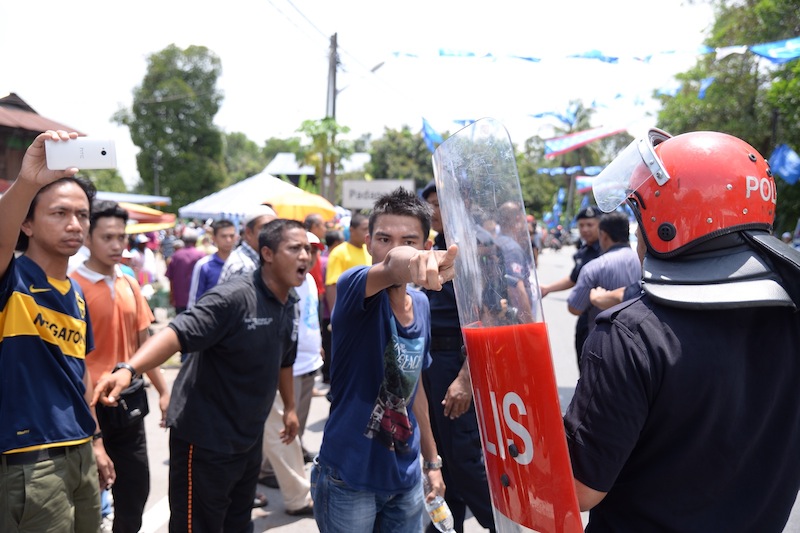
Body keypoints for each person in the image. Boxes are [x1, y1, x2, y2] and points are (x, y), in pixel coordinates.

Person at [564, 129, 800, 530]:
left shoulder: (630, 335)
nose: (637, 236)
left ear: (669, 223)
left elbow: (580, 488)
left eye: (641, 222)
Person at [93, 218, 310, 531]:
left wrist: (289, 408)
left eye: (308, 248)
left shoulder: (288, 301)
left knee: (237, 523)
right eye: (295, 248)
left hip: (248, 438)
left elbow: (284, 360)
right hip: (205, 438)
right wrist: (129, 369)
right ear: (267, 253)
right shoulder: (234, 297)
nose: (305, 255)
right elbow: (176, 332)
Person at [312, 187, 458, 532]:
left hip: (405, 477)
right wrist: (406, 261)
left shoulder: (421, 305)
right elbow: (394, 266)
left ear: (428, 246)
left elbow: (415, 386)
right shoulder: (353, 286)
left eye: (409, 240)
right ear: (368, 243)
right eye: (384, 238)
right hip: (350, 476)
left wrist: (432, 461)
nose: (394, 248)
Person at [0, 130, 114, 533]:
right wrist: (29, 181)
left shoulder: (77, 294)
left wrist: (96, 441)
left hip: (80, 450)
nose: (75, 224)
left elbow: (79, 372)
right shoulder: (12, 279)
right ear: (26, 224)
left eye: (82, 215)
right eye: (59, 213)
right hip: (29, 460)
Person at [70, 200, 171, 533]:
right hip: (85, 412)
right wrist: (95, 437)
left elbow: (144, 347)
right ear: (87, 238)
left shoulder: (129, 283)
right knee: (84, 505)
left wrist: (165, 391)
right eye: (107, 237)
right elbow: (75, 365)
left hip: (128, 406)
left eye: (121, 237)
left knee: (135, 494)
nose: (116, 245)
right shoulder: (71, 288)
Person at [420, 181, 497, 533]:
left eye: (438, 204)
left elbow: (491, 315)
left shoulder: (478, 246)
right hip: (432, 362)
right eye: (430, 205)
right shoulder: (433, 247)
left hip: (459, 362)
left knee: (466, 462)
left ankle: (505, 526)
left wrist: (465, 378)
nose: (432, 211)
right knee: (444, 463)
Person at [566, 211, 642, 350]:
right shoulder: (644, 263)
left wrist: (596, 298)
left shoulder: (593, 267)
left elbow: (574, 308)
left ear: (604, 235)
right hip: (638, 343)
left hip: (601, 344)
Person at [539, 206, 601, 358]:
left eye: (590, 225)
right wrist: (547, 288)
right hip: (585, 317)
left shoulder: (607, 250)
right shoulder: (583, 251)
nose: (585, 229)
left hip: (604, 317)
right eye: (581, 225)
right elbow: (574, 278)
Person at [293, 231, 325, 464]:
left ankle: (298, 447)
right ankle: (268, 468)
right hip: (291, 363)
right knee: (287, 416)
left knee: (301, 414)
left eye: (314, 250)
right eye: (305, 249)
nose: (310, 255)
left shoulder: (311, 281)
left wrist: (319, 345)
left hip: (310, 358)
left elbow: (312, 317)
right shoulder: (289, 281)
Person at [323, 212, 371, 316]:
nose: (368, 233)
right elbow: (332, 286)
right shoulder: (339, 252)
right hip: (348, 312)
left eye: (369, 229)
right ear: (351, 230)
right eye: (364, 229)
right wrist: (335, 317)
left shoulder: (369, 251)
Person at [218, 204, 276, 284]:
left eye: (274, 228)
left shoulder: (263, 258)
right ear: (248, 233)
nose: (271, 232)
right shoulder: (241, 266)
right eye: (265, 227)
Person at [186, 218, 237, 308]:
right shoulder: (204, 265)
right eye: (223, 236)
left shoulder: (242, 264)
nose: (228, 240)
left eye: (231, 236)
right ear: (214, 238)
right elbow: (194, 300)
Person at [318, 228, 345, 388]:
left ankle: (326, 374)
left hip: (324, 310)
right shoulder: (330, 260)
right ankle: (328, 375)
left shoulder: (322, 258)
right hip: (330, 311)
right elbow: (330, 286)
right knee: (330, 346)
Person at [164, 227, 205, 315]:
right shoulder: (201, 255)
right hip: (198, 299)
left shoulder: (176, 256)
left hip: (180, 298)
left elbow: (170, 278)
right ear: (196, 242)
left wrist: (171, 296)